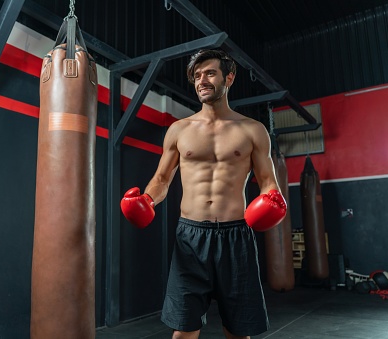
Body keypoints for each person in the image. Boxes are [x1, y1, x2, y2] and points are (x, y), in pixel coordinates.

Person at [120, 49, 287, 339]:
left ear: (229, 78)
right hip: (191, 238)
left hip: (235, 237)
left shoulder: (253, 130)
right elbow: (161, 179)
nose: (202, 80)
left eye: (209, 73)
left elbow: (267, 182)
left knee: (238, 331)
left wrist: (271, 202)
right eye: (197, 76)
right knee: (184, 329)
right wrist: (147, 200)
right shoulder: (179, 130)